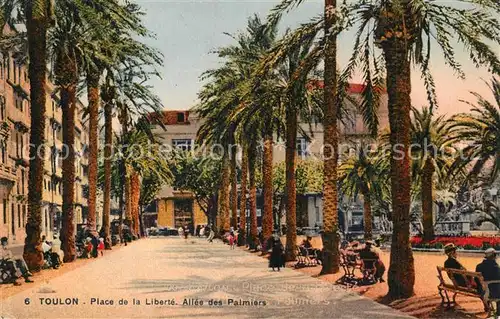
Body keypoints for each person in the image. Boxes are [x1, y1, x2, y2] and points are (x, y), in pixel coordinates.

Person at [475, 248, 500, 313]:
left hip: (482, 291)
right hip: (493, 293)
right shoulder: (496, 267)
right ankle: (498, 311)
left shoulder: (479, 266)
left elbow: (476, 280)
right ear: (494, 256)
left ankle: (487, 307)